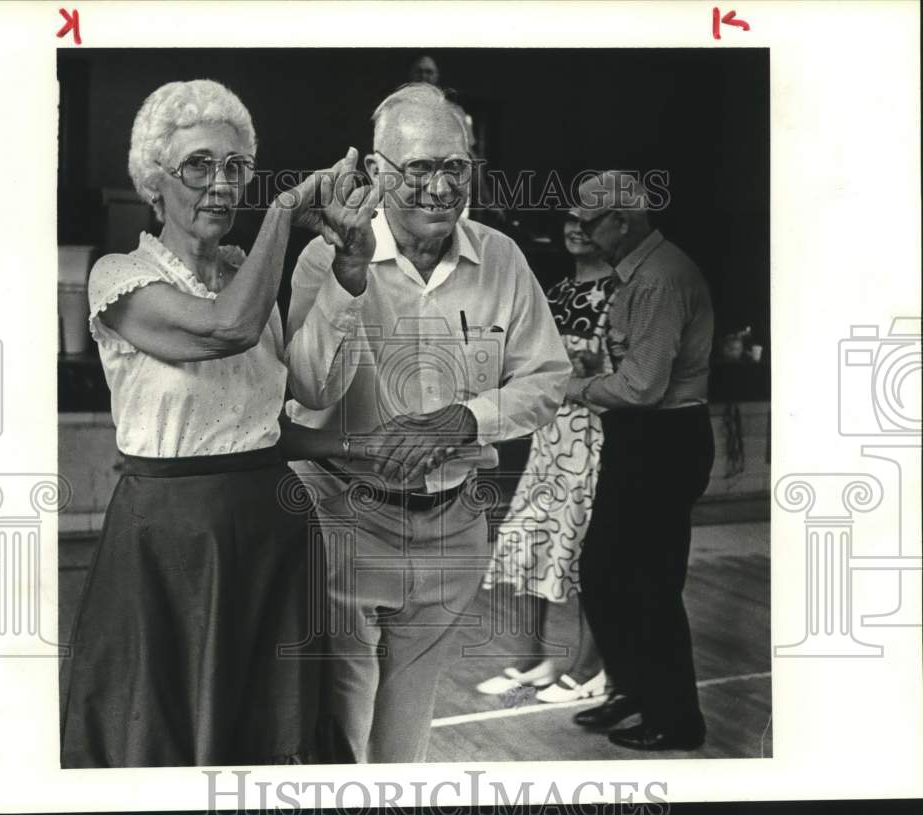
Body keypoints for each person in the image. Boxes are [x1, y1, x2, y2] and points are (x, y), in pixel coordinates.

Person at [60, 79, 377, 767]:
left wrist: (349, 273)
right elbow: (224, 329)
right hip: (172, 547)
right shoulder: (120, 277)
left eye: (236, 167)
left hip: (274, 533)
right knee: (167, 736)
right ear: (154, 182)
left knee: (270, 738)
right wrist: (288, 209)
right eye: (198, 165)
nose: (221, 184)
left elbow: (277, 410)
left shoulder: (245, 272)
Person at [284, 82, 570, 763]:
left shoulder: (500, 257)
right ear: (378, 172)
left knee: (405, 735)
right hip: (343, 517)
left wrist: (463, 420)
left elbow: (547, 377)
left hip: (454, 526)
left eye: (455, 167)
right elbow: (304, 386)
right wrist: (349, 278)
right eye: (419, 169)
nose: (440, 187)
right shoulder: (327, 255)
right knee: (343, 725)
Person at [567, 170, 715, 751]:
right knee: (604, 575)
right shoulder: (637, 274)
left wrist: (574, 388)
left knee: (650, 586)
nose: (578, 231)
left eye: (587, 221)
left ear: (620, 221)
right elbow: (632, 381)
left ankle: (677, 720)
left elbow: (643, 387)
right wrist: (598, 379)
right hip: (641, 440)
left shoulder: (657, 279)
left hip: (662, 440)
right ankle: (634, 692)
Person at [477, 193, 617, 704]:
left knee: (580, 555)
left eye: (590, 220)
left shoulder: (622, 293)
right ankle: (530, 660)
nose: (577, 228)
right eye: (571, 218)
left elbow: (629, 378)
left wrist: (578, 372)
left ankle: (590, 669)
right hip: (548, 438)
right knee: (524, 542)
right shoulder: (555, 291)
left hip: (594, 438)